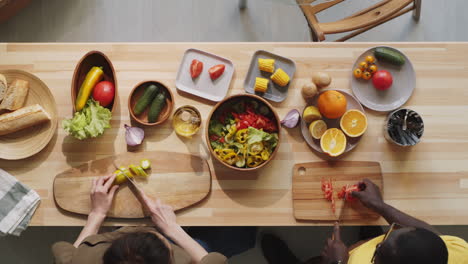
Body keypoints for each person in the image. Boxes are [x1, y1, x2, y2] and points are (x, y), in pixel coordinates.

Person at [52, 174, 255, 264]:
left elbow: (69, 258)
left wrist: (96, 215)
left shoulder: (85, 258)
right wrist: (172, 229)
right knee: (238, 235)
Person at [261, 178, 468, 264]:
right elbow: (432, 235)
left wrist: (338, 261)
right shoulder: (461, 253)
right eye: (394, 230)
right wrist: (380, 206)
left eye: (379, 248)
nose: (388, 232)